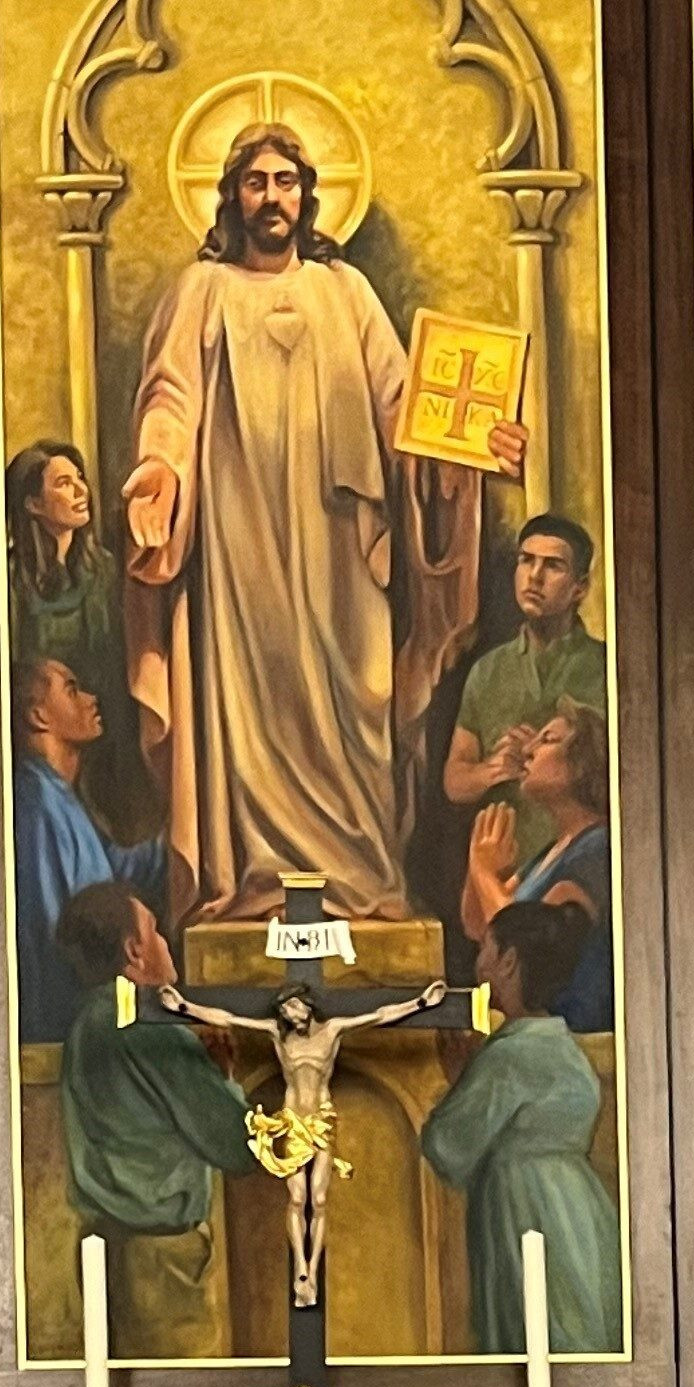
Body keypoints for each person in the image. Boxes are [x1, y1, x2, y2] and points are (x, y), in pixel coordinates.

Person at [121, 123, 523, 926]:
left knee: (361, 699)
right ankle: (251, 890)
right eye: (256, 182)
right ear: (232, 196)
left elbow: (404, 409)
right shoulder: (200, 293)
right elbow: (171, 399)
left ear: (308, 195)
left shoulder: (348, 294)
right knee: (246, 704)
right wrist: (159, 473)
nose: (272, 197)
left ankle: (359, 881)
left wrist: (468, 451)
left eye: (286, 182)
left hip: (342, 548)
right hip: (239, 551)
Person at [50, 883, 257, 1357]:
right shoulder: (150, 1025)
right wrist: (224, 1079)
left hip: (105, 1247)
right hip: (160, 1264)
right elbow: (236, 1144)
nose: (166, 942)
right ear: (134, 951)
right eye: (157, 931)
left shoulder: (89, 1022)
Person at [167, 969, 446, 1313]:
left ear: (307, 1005)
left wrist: (420, 1002)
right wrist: (184, 1008)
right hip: (293, 1121)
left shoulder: (331, 1031)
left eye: (294, 1008)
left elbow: (378, 1016)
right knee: (297, 1199)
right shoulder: (278, 1035)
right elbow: (229, 1018)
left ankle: (313, 1269)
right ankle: (300, 1268)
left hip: (322, 1121)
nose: (289, 1015)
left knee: (320, 1197)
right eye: (285, 1011)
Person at [418, 902, 623, 1356]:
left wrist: (460, 1084)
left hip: (523, 1213)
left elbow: (448, 1145)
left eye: (486, 949)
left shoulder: (507, 1056)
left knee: (537, 1340)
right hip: (580, 1212)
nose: (479, 962)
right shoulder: (564, 1048)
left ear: (509, 961)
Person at [12, 652, 173, 1044]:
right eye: (72, 690)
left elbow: (117, 872)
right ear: (39, 717)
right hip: (67, 1036)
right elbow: (52, 937)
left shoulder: (60, 798)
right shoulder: (36, 806)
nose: (90, 698)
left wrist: (185, 839)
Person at [4, 438, 152, 842]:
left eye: (80, 479)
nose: (81, 490)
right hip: (42, 729)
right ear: (33, 504)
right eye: (64, 483)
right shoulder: (11, 579)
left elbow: (115, 655)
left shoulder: (102, 570)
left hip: (100, 723)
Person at [441, 514, 609, 858]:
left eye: (553, 566)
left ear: (581, 587)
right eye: (526, 560)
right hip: (503, 866)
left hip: (585, 863)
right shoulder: (487, 671)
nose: (534, 577)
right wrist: (493, 770)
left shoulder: (609, 667)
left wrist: (555, 755)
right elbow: (454, 779)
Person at [461, 698, 614, 1030]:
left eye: (547, 740)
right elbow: (477, 927)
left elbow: (526, 952)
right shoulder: (551, 852)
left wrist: (485, 874)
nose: (527, 750)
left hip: (572, 1036)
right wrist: (479, 865)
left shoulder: (596, 850)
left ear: (583, 762)